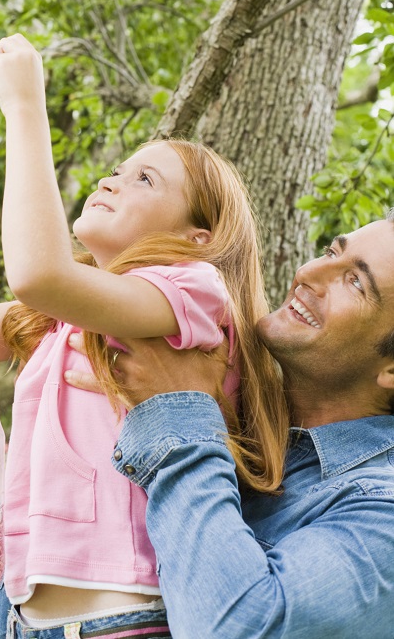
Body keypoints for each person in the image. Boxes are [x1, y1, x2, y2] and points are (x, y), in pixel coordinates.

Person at [0, 34, 288, 638]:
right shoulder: (63, 319)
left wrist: (24, 105)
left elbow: (40, 273)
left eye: (145, 179)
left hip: (124, 620)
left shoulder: (194, 295)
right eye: (117, 169)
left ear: (201, 235)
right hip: (21, 621)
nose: (112, 180)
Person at [59, 218, 394, 639]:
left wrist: (177, 407)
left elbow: (239, 627)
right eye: (330, 251)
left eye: (354, 282)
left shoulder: (382, 511)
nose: (309, 274)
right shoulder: (233, 414)